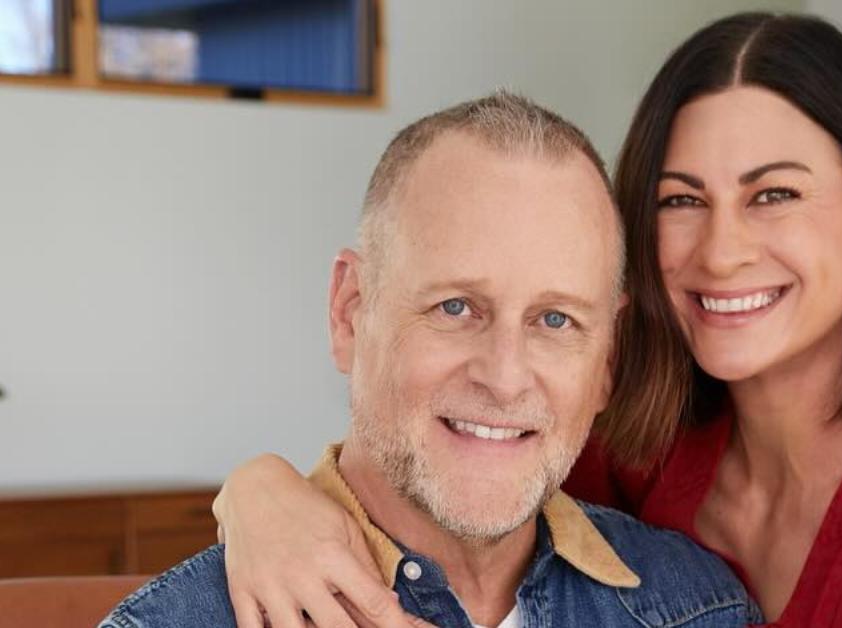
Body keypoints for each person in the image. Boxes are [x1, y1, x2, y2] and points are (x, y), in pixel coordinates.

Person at [212, 13, 842, 627]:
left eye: (774, 195)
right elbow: (460, 495)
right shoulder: (647, 450)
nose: (721, 251)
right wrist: (259, 494)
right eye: (682, 199)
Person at [100, 92, 760, 628]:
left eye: (555, 320)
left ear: (607, 360)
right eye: (455, 308)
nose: (504, 377)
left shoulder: (699, 610)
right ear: (348, 311)